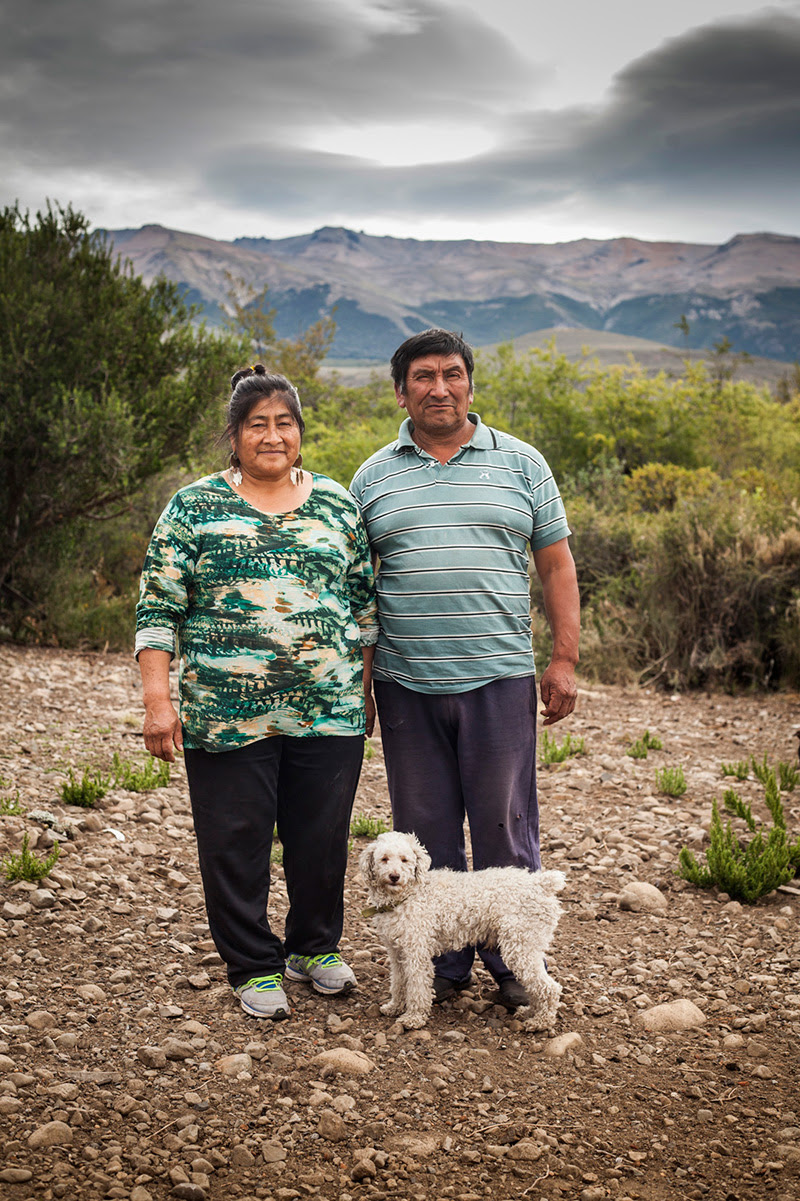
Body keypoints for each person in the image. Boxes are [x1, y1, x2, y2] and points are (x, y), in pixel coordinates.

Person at [136, 365, 378, 1020]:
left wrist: (365, 686)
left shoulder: (336, 503)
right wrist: (159, 702)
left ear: (300, 432)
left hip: (329, 708)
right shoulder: (193, 506)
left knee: (321, 835)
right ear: (235, 435)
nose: (273, 435)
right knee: (234, 837)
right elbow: (158, 612)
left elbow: (362, 606)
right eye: (257, 424)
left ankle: (315, 946)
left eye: (285, 422)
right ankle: (251, 962)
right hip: (224, 712)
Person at [350, 328, 579, 1009]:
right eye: (423, 376)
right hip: (406, 682)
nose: (440, 387)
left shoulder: (523, 464)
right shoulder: (373, 476)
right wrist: (359, 686)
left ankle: (513, 964)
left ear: (470, 384)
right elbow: (359, 589)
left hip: (500, 678)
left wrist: (562, 657)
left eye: (452, 374)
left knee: (506, 822)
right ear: (401, 390)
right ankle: (441, 964)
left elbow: (557, 564)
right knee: (425, 827)